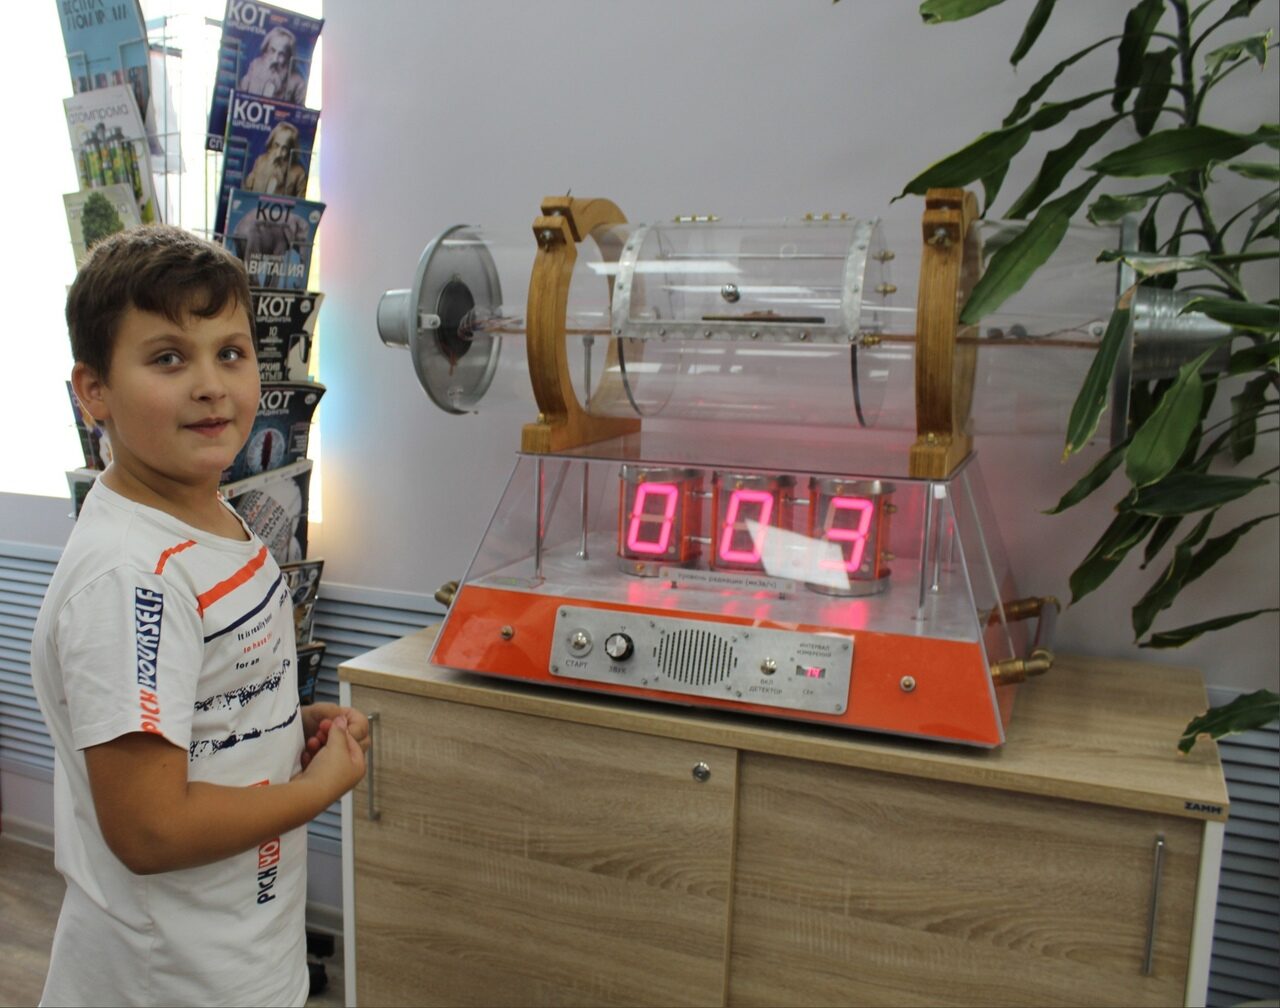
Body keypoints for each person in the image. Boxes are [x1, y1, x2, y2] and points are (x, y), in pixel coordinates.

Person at [30, 224, 368, 1007]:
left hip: (243, 956)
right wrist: (317, 789)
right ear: (94, 392)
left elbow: (198, 705)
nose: (212, 385)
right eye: (168, 358)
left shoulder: (206, 510)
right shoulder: (132, 580)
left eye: (231, 352)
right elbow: (150, 829)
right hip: (168, 982)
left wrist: (279, 724)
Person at [238, 26, 307, 104]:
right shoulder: (255, 66)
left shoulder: (298, 83)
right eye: (272, 51)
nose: (275, 59)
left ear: (289, 58)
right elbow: (239, 96)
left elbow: (300, 110)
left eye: (282, 54)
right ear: (265, 51)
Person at [244, 120, 307, 197]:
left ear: (291, 151)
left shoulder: (299, 174)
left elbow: (300, 203)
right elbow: (246, 192)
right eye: (276, 146)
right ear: (270, 144)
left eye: (284, 148)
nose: (278, 154)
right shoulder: (260, 161)